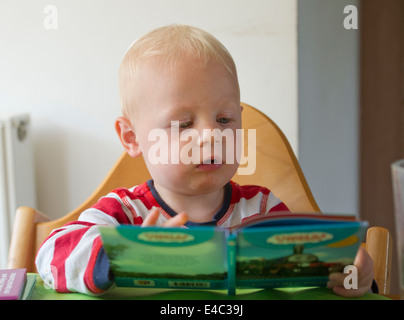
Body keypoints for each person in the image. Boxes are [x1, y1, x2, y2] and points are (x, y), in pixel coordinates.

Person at [35, 24, 374, 297]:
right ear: (132, 138)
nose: (212, 136)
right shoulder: (124, 213)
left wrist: (349, 273)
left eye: (224, 119)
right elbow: (50, 256)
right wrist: (123, 256)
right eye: (183, 124)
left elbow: (313, 265)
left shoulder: (262, 209)